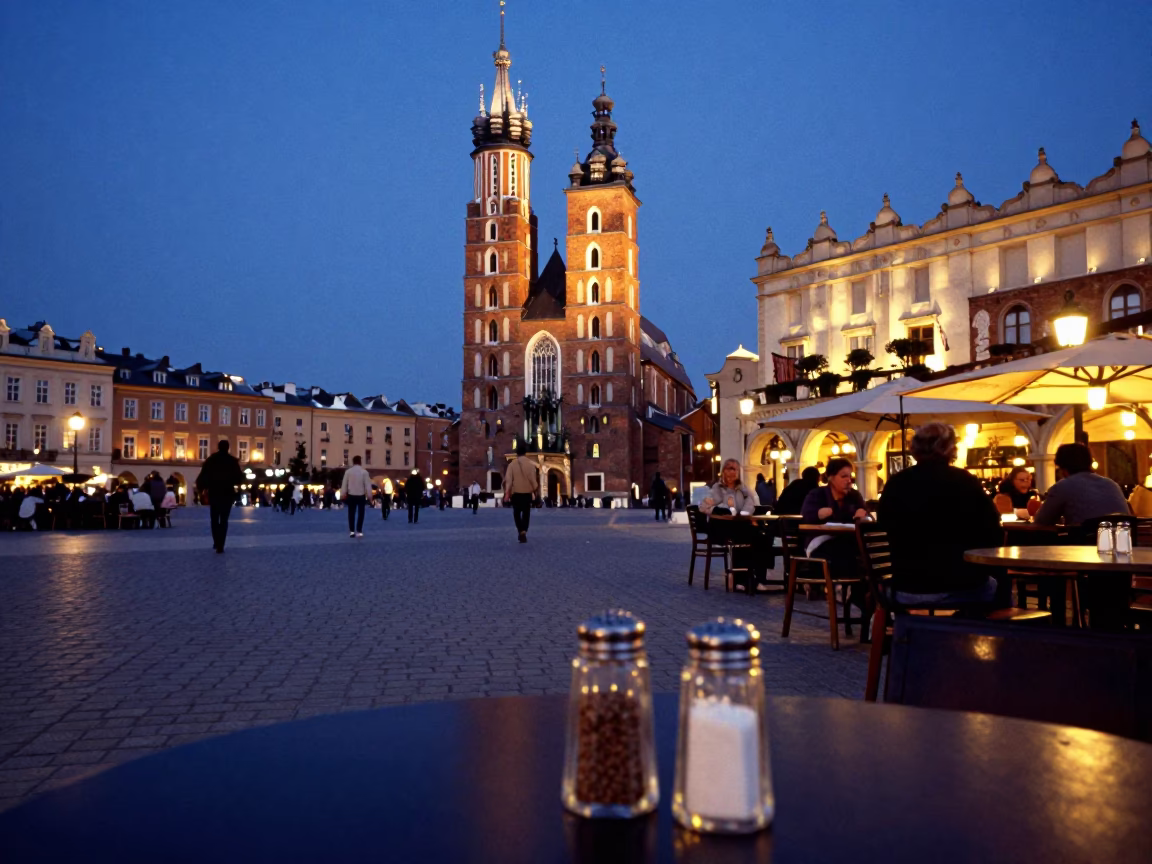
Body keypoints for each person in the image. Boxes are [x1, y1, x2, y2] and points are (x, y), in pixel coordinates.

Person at [877, 423, 1006, 607]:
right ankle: (994, 633)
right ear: (951, 449)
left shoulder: (896, 484)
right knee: (1000, 585)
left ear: (913, 448)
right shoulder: (966, 482)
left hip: (907, 587)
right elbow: (993, 533)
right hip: (962, 586)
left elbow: (884, 530)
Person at [800, 459, 869, 600]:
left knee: (866, 552)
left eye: (850, 476)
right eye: (844, 476)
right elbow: (806, 516)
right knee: (846, 553)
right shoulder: (817, 494)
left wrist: (863, 515)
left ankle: (859, 594)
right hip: (821, 543)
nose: (849, 480)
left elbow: (866, 515)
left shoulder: (854, 496)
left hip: (850, 541)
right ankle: (845, 589)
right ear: (831, 478)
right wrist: (818, 513)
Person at [1032, 443, 1130, 528]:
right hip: (1122, 543)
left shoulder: (1063, 486)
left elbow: (1041, 521)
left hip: (1085, 546)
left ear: (1062, 468)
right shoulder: (1111, 484)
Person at [196, 440, 243, 553]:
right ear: (228, 448)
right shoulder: (232, 461)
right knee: (224, 520)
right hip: (227, 493)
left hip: (214, 492)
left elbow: (202, 477)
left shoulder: (211, 460)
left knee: (214, 519)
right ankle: (221, 543)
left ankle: (217, 542)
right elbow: (239, 478)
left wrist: (202, 490)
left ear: (218, 447)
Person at [503, 441, 539, 543]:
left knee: (517, 513)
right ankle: (524, 531)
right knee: (526, 513)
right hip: (527, 493)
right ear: (525, 453)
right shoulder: (531, 465)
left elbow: (509, 481)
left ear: (517, 453)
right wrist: (535, 490)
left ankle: (520, 530)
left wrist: (507, 494)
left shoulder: (512, 465)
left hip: (516, 494)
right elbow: (533, 480)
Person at [341, 456, 372, 538]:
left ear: (353, 462)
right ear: (360, 462)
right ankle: (359, 530)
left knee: (351, 513)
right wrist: (369, 495)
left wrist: (342, 493)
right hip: (361, 495)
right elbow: (367, 485)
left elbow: (344, 484)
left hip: (351, 495)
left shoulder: (348, 472)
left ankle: (351, 531)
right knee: (361, 513)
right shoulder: (364, 472)